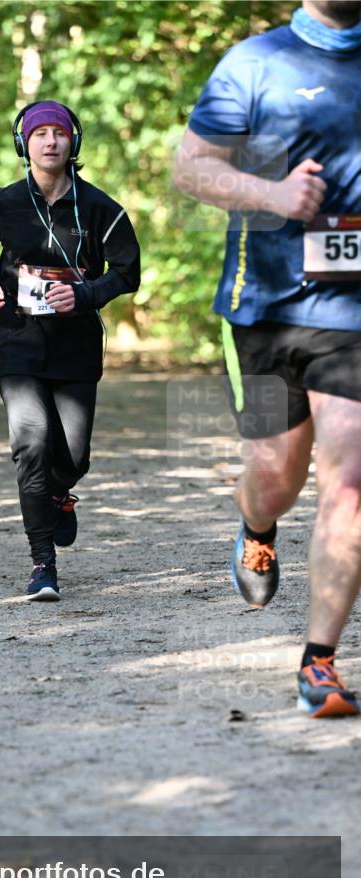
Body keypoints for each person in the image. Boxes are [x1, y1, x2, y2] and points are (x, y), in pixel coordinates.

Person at [173, 0, 361, 717]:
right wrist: (274, 195)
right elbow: (191, 166)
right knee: (274, 477)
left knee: (347, 482)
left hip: (352, 318)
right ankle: (256, 529)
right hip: (267, 307)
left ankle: (318, 662)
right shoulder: (255, 62)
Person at [0, 100, 140, 601]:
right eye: (40, 133)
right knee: (31, 442)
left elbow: (128, 272)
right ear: (25, 144)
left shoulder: (103, 208)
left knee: (74, 456)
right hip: (15, 341)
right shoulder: (1, 203)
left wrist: (84, 294)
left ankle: (60, 494)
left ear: (72, 142)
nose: (50, 141)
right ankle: (42, 563)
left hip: (76, 344)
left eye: (59, 132)